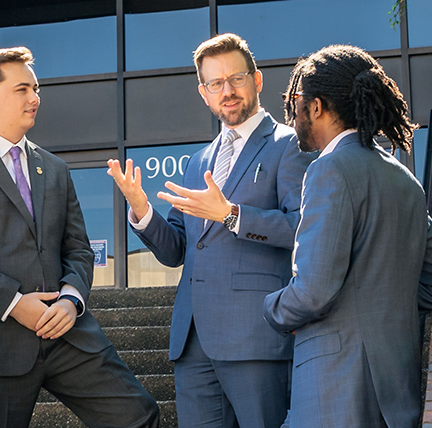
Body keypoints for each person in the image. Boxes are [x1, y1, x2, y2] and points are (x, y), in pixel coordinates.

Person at [0, 47, 159, 428]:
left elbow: (78, 249)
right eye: (22, 89)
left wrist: (71, 300)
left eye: (36, 88)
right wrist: (14, 303)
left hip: (69, 335)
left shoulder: (55, 168)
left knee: (138, 415)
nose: (35, 98)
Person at [107, 33, 316, 427]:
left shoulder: (290, 145)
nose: (227, 91)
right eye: (215, 83)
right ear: (204, 93)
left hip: (256, 336)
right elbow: (177, 251)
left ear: (257, 80)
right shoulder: (199, 159)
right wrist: (141, 209)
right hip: (193, 343)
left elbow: (302, 228)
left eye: (235, 79)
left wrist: (232, 214)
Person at [263, 44, 432, 428]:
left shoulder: (328, 170)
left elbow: (312, 291)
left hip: (335, 391)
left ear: (317, 106)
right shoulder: (403, 178)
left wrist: (270, 309)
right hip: (394, 392)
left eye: (295, 102)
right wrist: (376, 297)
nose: (293, 115)